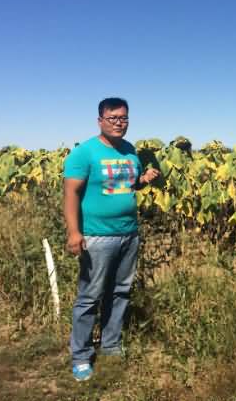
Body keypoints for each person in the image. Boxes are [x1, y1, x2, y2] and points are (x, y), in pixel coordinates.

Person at [63, 97, 160, 381]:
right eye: (113, 118)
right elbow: (71, 194)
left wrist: (144, 180)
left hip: (128, 233)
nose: (119, 123)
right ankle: (81, 355)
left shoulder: (130, 151)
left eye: (124, 118)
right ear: (100, 121)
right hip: (97, 236)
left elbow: (126, 185)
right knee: (90, 296)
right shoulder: (84, 153)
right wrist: (74, 232)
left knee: (120, 292)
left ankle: (111, 344)